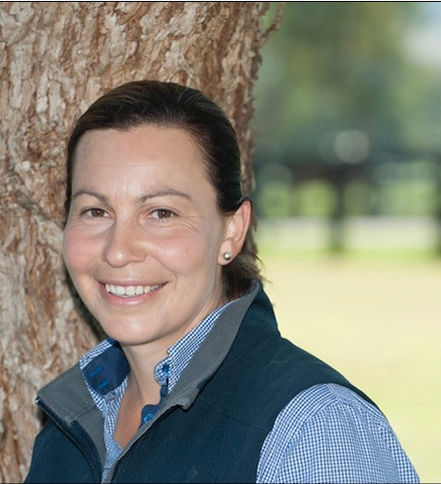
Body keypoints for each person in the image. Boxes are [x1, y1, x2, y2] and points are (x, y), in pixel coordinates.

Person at [25, 80, 419, 483]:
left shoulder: (313, 431)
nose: (118, 251)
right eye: (95, 211)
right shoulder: (71, 426)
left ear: (231, 232)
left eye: (161, 213)